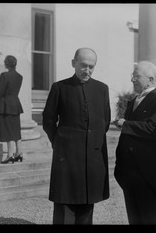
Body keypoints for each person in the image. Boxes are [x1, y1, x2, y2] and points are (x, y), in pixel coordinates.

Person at [42, 48, 111, 225]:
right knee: (65, 203)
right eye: (83, 65)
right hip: (67, 156)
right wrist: (59, 142)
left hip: (92, 158)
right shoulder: (60, 87)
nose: (87, 70)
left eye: (91, 67)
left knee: (87, 205)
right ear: (74, 63)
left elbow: (105, 121)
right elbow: (48, 120)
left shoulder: (102, 89)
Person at [114, 61, 156, 225]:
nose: (132, 79)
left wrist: (124, 124)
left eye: (136, 76)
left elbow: (153, 129)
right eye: (132, 76)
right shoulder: (133, 101)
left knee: (150, 219)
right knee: (134, 218)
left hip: (146, 173)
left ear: (151, 79)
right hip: (128, 171)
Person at [0, 55, 24, 164]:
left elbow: (0, 92)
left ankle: (10, 155)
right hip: (16, 105)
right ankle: (19, 153)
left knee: (8, 130)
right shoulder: (20, 76)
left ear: (6, 64)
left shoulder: (4, 75)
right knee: (16, 130)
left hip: (6, 105)